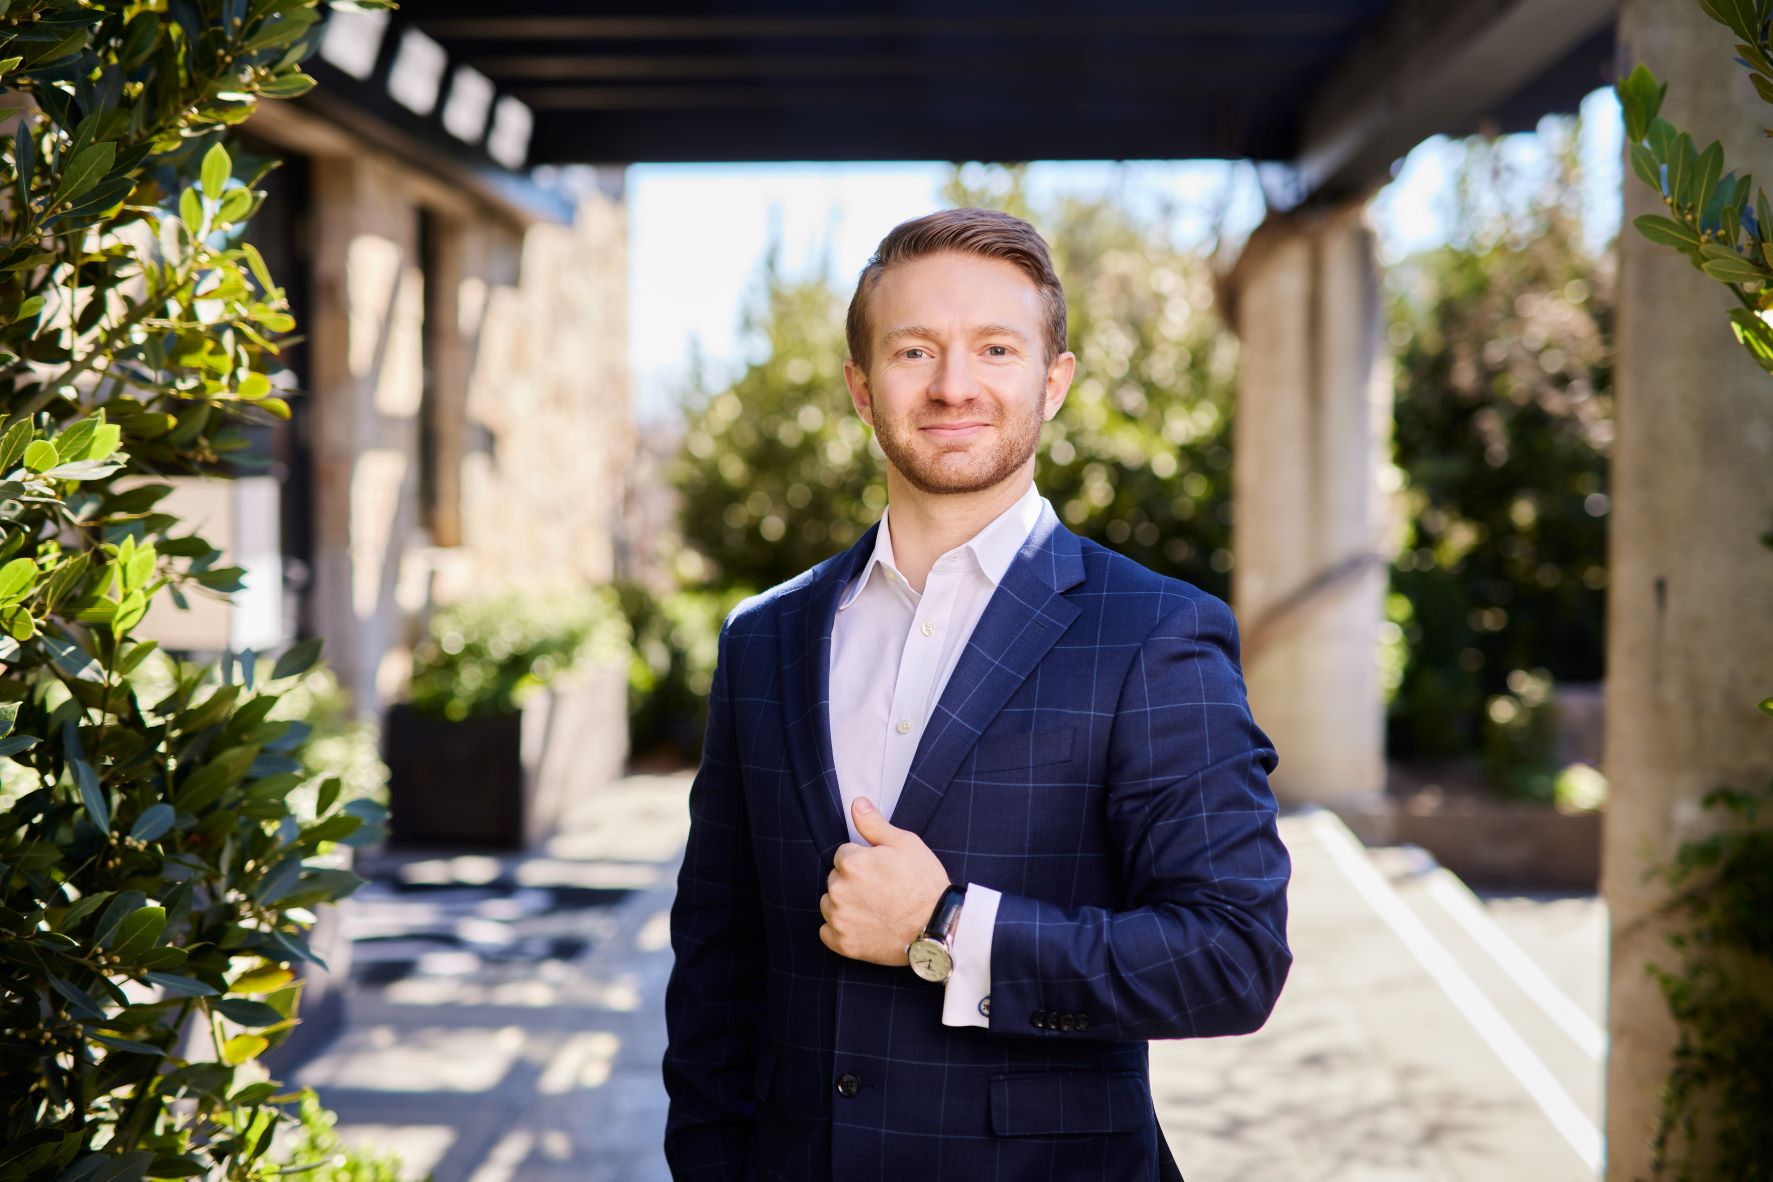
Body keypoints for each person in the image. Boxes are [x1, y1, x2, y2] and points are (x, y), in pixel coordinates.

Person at [662, 207, 1292, 1181]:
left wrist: (949, 926)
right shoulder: (764, 640)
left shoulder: (1153, 633)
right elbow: (716, 958)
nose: (954, 385)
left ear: (1054, 381)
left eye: (995, 348)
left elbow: (1233, 959)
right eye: (915, 351)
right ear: (863, 391)